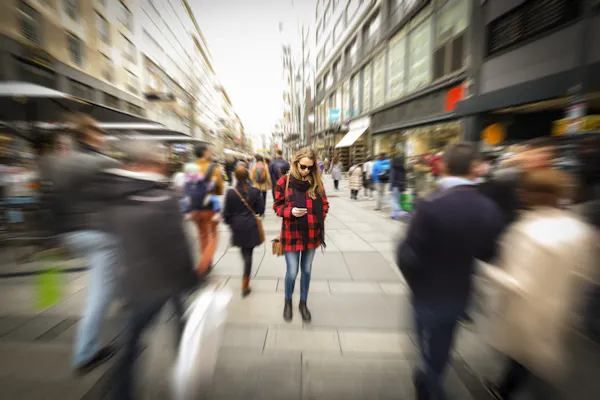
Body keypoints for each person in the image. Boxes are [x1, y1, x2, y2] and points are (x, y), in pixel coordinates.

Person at [86, 140, 198, 400]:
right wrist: (193, 278)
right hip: (165, 280)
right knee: (181, 320)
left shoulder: (112, 193)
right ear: (152, 164)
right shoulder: (163, 197)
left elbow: (107, 232)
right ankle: (186, 365)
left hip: (133, 281)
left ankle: (121, 392)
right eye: (161, 162)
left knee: (130, 343)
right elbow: (176, 246)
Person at [397, 143, 503, 400]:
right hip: (459, 292)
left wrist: (415, 283)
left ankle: (430, 385)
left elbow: (406, 254)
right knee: (442, 346)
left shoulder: (431, 205)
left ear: (443, 166)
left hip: (425, 291)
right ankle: (430, 376)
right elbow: (490, 253)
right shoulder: (487, 208)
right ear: (473, 169)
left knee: (424, 342)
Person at [482, 169, 598, 400]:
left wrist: (487, 270)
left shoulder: (528, 230)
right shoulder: (579, 229)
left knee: (524, 355)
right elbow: (587, 272)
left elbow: (517, 281)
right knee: (540, 357)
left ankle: (505, 390)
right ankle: (508, 387)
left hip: (527, 309)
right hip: (560, 307)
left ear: (531, 194)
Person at [47, 113, 120, 374]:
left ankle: (121, 293)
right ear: (89, 134)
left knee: (108, 280)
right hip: (100, 235)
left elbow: (51, 202)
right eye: (99, 133)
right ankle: (86, 354)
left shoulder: (58, 163)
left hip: (69, 234)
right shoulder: (103, 163)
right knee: (100, 293)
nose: (102, 138)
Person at [273, 147, 329, 323]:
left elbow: (325, 204)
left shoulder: (316, 183)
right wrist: (290, 212)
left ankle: (303, 303)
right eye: (303, 166)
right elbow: (277, 206)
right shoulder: (284, 182)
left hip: (312, 235)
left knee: (306, 270)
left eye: (310, 168)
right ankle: (288, 301)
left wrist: (318, 217)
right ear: (296, 163)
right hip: (291, 233)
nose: (306, 171)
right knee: (291, 272)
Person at [223, 166, 265, 297]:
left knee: (244, 252)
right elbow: (260, 210)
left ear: (235, 177)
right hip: (251, 226)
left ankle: (245, 279)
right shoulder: (255, 191)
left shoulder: (231, 192)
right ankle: (245, 283)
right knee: (249, 254)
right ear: (248, 177)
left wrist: (231, 223)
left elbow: (226, 213)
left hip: (237, 226)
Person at [190, 143, 224, 275]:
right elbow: (220, 188)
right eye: (208, 151)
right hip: (209, 206)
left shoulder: (190, 168)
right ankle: (204, 265)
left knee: (202, 235)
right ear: (204, 153)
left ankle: (207, 261)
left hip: (194, 206)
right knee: (214, 235)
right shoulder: (213, 168)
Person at [390, 155, 407, 220]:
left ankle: (399, 212)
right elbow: (404, 178)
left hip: (395, 186)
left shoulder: (394, 168)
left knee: (394, 201)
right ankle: (394, 215)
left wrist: (390, 189)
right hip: (401, 186)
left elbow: (392, 179)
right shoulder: (403, 168)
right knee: (397, 201)